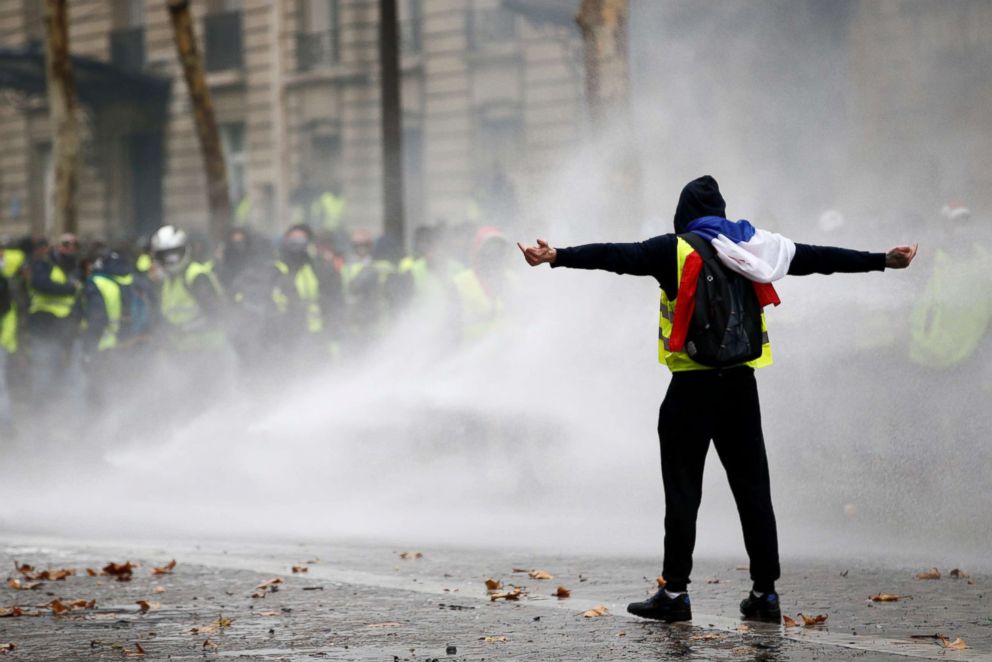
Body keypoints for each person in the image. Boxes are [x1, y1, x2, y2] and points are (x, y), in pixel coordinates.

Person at [518, 175, 917, 623]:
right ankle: (765, 594)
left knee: (684, 491)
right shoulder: (754, 246)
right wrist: (883, 260)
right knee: (753, 489)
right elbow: (817, 258)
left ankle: (674, 594)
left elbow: (616, 255)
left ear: (683, 213)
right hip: (741, 388)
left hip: (691, 388)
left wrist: (558, 256)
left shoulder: (675, 248)